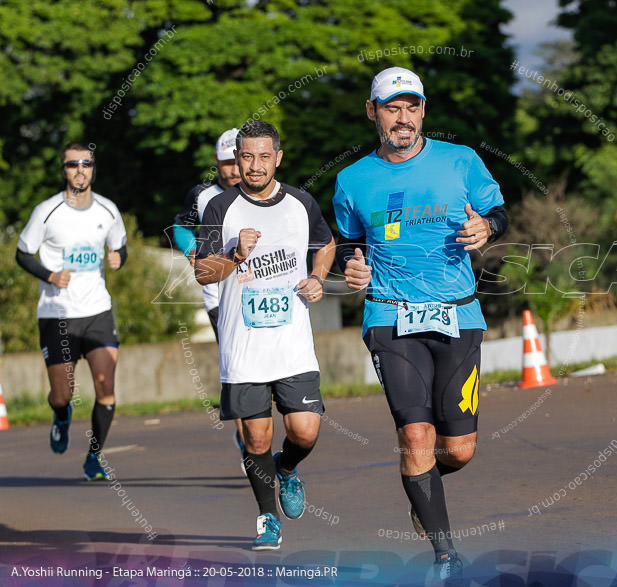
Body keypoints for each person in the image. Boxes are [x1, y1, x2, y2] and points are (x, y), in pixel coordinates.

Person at [332, 67, 508, 581]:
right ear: (373, 112)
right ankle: (446, 554)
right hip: (390, 314)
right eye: (392, 107)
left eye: (411, 107)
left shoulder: (461, 161)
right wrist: (352, 264)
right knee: (415, 437)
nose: (402, 117)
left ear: (423, 110)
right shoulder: (352, 179)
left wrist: (486, 227)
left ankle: (423, 488)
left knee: (458, 449)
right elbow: (348, 242)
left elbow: (497, 212)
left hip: (459, 311)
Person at [195, 120, 335, 550]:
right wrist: (235, 254)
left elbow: (326, 244)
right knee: (256, 437)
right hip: (244, 346)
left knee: (305, 431)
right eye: (247, 157)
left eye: (263, 156)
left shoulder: (301, 202)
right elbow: (202, 270)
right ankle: (267, 517)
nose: (255, 166)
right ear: (237, 160)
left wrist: (317, 276)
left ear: (278, 157)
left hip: (292, 344)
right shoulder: (220, 208)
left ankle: (287, 469)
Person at [16, 141, 128, 481]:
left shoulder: (108, 210)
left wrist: (119, 258)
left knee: (106, 384)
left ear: (93, 169)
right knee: (63, 394)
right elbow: (22, 253)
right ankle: (61, 415)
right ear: (63, 170)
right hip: (57, 313)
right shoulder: (47, 211)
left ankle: (94, 456)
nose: (80, 169)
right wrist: (49, 275)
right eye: (72, 164)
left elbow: (121, 246)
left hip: (97, 310)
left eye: (86, 163)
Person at [172, 128, 249, 457]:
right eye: (225, 163)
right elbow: (180, 226)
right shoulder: (202, 196)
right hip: (219, 295)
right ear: (216, 164)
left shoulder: (265, 193)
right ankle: (249, 444)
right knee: (238, 367)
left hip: (260, 292)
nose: (233, 170)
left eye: (237, 161)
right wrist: (191, 250)